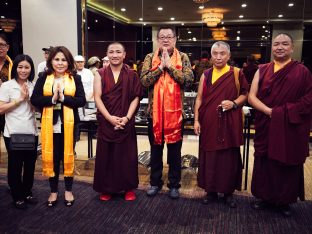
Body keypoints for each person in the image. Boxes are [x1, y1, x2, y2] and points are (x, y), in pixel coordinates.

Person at [248, 33, 312, 217]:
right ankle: (264, 197)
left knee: (286, 161)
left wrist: (281, 113)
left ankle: (284, 201)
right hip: (267, 122)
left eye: (285, 44)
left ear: (292, 48)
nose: (280, 47)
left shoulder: (302, 72)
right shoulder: (262, 69)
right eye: (276, 44)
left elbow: (308, 99)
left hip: (289, 126)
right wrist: (270, 112)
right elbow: (252, 96)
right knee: (265, 159)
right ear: (272, 47)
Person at [140, 26, 194, 199]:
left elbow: (188, 81)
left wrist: (170, 67)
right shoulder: (150, 57)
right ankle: (155, 183)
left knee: (174, 152)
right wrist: (159, 68)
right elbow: (144, 81)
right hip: (153, 113)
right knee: (155, 150)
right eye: (162, 37)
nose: (165, 40)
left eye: (169, 37)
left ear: (175, 39)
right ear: (157, 39)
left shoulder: (183, 57)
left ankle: (174, 184)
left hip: (175, 114)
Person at [193, 41, 248, 208]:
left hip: (229, 122)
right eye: (215, 54)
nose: (218, 57)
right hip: (209, 122)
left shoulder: (237, 73)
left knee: (228, 157)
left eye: (222, 53)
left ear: (229, 56)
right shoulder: (206, 75)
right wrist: (196, 120)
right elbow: (200, 98)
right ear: (211, 56)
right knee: (209, 156)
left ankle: (228, 192)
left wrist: (234, 103)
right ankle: (210, 191)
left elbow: (245, 94)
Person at [31, 46, 86, 207]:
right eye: (57, 59)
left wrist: (64, 98)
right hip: (50, 125)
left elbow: (81, 100)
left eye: (63, 60)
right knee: (53, 158)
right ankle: (53, 191)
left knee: (68, 156)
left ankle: (68, 190)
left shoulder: (75, 78)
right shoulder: (43, 77)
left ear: (69, 62)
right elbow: (35, 99)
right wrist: (53, 100)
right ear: (51, 61)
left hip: (70, 125)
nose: (60, 63)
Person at [93, 42, 142, 201]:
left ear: (124, 54)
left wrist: (127, 118)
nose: (115, 55)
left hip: (125, 121)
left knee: (126, 157)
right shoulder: (99, 73)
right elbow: (97, 97)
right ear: (107, 54)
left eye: (118, 52)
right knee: (106, 156)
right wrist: (109, 118)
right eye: (111, 52)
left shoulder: (132, 74)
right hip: (107, 121)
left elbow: (136, 97)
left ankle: (128, 188)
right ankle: (107, 189)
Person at [0, 54, 39, 209]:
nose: (23, 70)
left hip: (31, 132)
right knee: (15, 166)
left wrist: (29, 99)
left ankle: (27, 192)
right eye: (20, 67)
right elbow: (1, 109)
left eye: (27, 67)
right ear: (15, 68)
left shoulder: (34, 85)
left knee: (30, 166)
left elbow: (37, 109)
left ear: (31, 69)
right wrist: (20, 99)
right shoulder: (7, 86)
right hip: (13, 133)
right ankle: (17, 196)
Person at [0, 34, 13, 138]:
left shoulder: (14, 66)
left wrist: (4, 87)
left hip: (8, 109)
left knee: (10, 141)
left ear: (7, 47)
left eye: (2, 45)